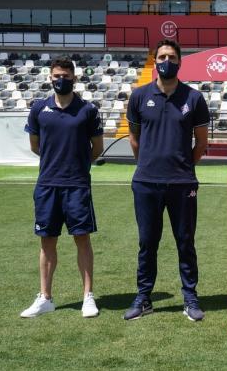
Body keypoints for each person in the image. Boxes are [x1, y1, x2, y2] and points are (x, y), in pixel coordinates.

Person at [123, 39, 209, 322]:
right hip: (146, 182)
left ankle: (190, 297)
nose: (166, 61)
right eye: (161, 56)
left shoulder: (194, 98)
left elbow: (201, 144)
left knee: (185, 241)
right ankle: (144, 298)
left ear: (180, 61)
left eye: (172, 56)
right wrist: (148, 164)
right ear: (154, 60)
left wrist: (182, 167)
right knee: (147, 242)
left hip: (183, 183)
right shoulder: (138, 97)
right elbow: (134, 139)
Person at [21, 56, 104, 318]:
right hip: (47, 185)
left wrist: (78, 166)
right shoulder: (39, 109)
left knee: (82, 239)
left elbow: (97, 149)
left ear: (74, 78)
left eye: (66, 76)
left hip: (77, 185)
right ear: (50, 77)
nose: (61, 80)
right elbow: (36, 146)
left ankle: (87, 297)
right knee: (47, 241)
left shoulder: (87, 110)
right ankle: (45, 297)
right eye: (57, 75)